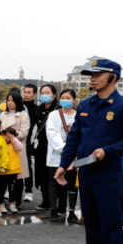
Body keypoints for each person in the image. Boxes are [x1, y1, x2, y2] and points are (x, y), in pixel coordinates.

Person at [55, 59, 123, 244]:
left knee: (110, 220)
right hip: (85, 170)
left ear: (113, 77)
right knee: (92, 219)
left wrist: (108, 150)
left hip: (109, 172)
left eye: (97, 75)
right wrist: (64, 165)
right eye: (90, 75)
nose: (92, 79)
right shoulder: (85, 105)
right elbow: (74, 137)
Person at [46, 89, 78, 224]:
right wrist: (66, 151)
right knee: (54, 182)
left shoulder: (79, 116)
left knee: (72, 184)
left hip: (75, 157)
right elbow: (52, 134)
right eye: (63, 97)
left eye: (68, 98)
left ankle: (71, 211)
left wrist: (73, 152)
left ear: (74, 100)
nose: (65, 100)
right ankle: (53, 210)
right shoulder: (54, 115)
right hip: (56, 154)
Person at [0, 89, 30, 210]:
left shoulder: (23, 115)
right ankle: (1, 201)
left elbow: (23, 132)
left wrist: (10, 137)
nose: (10, 103)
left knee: (17, 177)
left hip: (17, 148)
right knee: (3, 177)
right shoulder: (3, 114)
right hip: (3, 148)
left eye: (12, 100)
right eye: (8, 100)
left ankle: (16, 201)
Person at [32, 85, 58, 211]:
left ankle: (56, 203)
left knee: (53, 175)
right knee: (42, 175)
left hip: (54, 147)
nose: (44, 95)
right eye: (42, 93)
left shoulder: (58, 109)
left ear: (54, 95)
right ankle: (45, 201)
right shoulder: (39, 110)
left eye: (47, 92)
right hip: (41, 147)